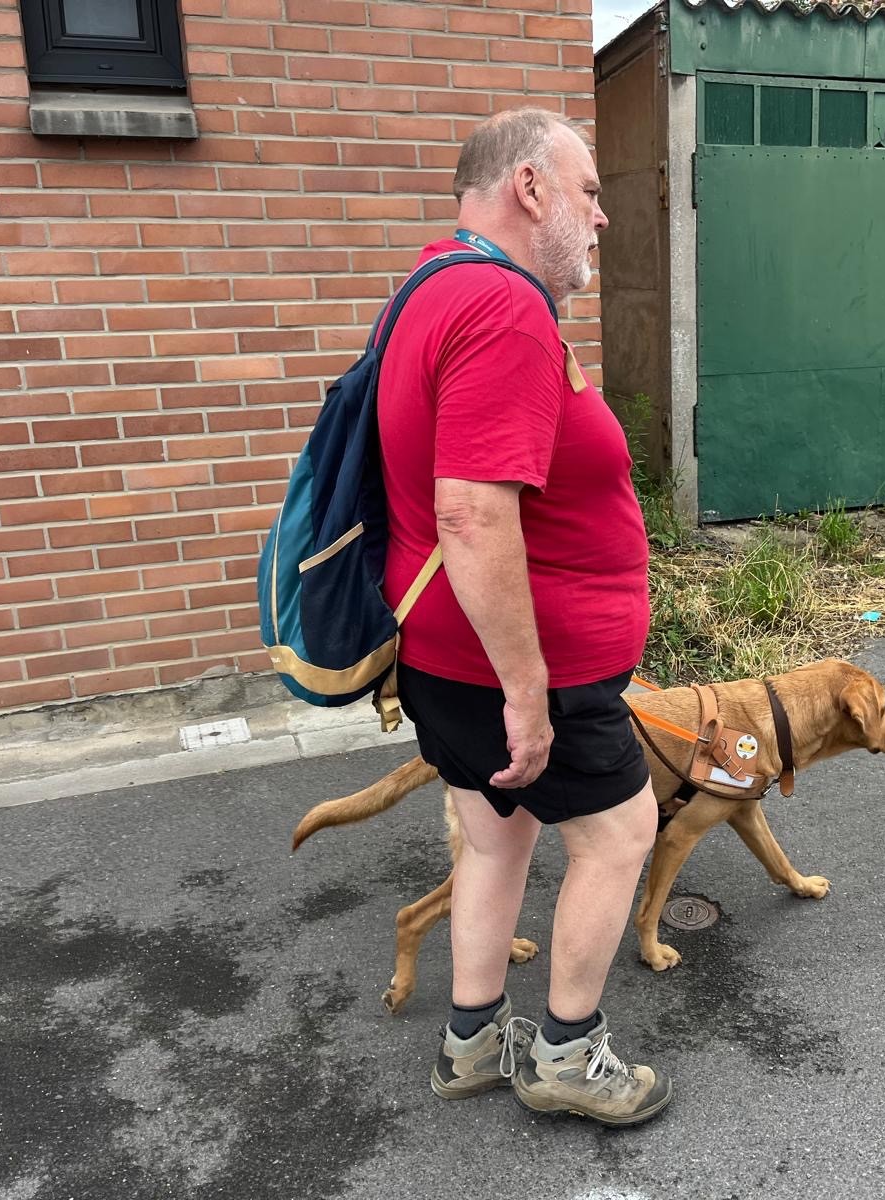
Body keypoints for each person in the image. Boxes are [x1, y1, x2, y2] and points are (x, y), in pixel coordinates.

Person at [375, 107, 670, 1126]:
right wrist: (529, 690)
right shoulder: (500, 308)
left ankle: (469, 1044)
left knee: (496, 841)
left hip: (446, 660)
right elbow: (469, 510)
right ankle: (566, 1059)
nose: (600, 220)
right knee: (621, 830)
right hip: (516, 668)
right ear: (530, 188)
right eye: (589, 194)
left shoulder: (428, 286)